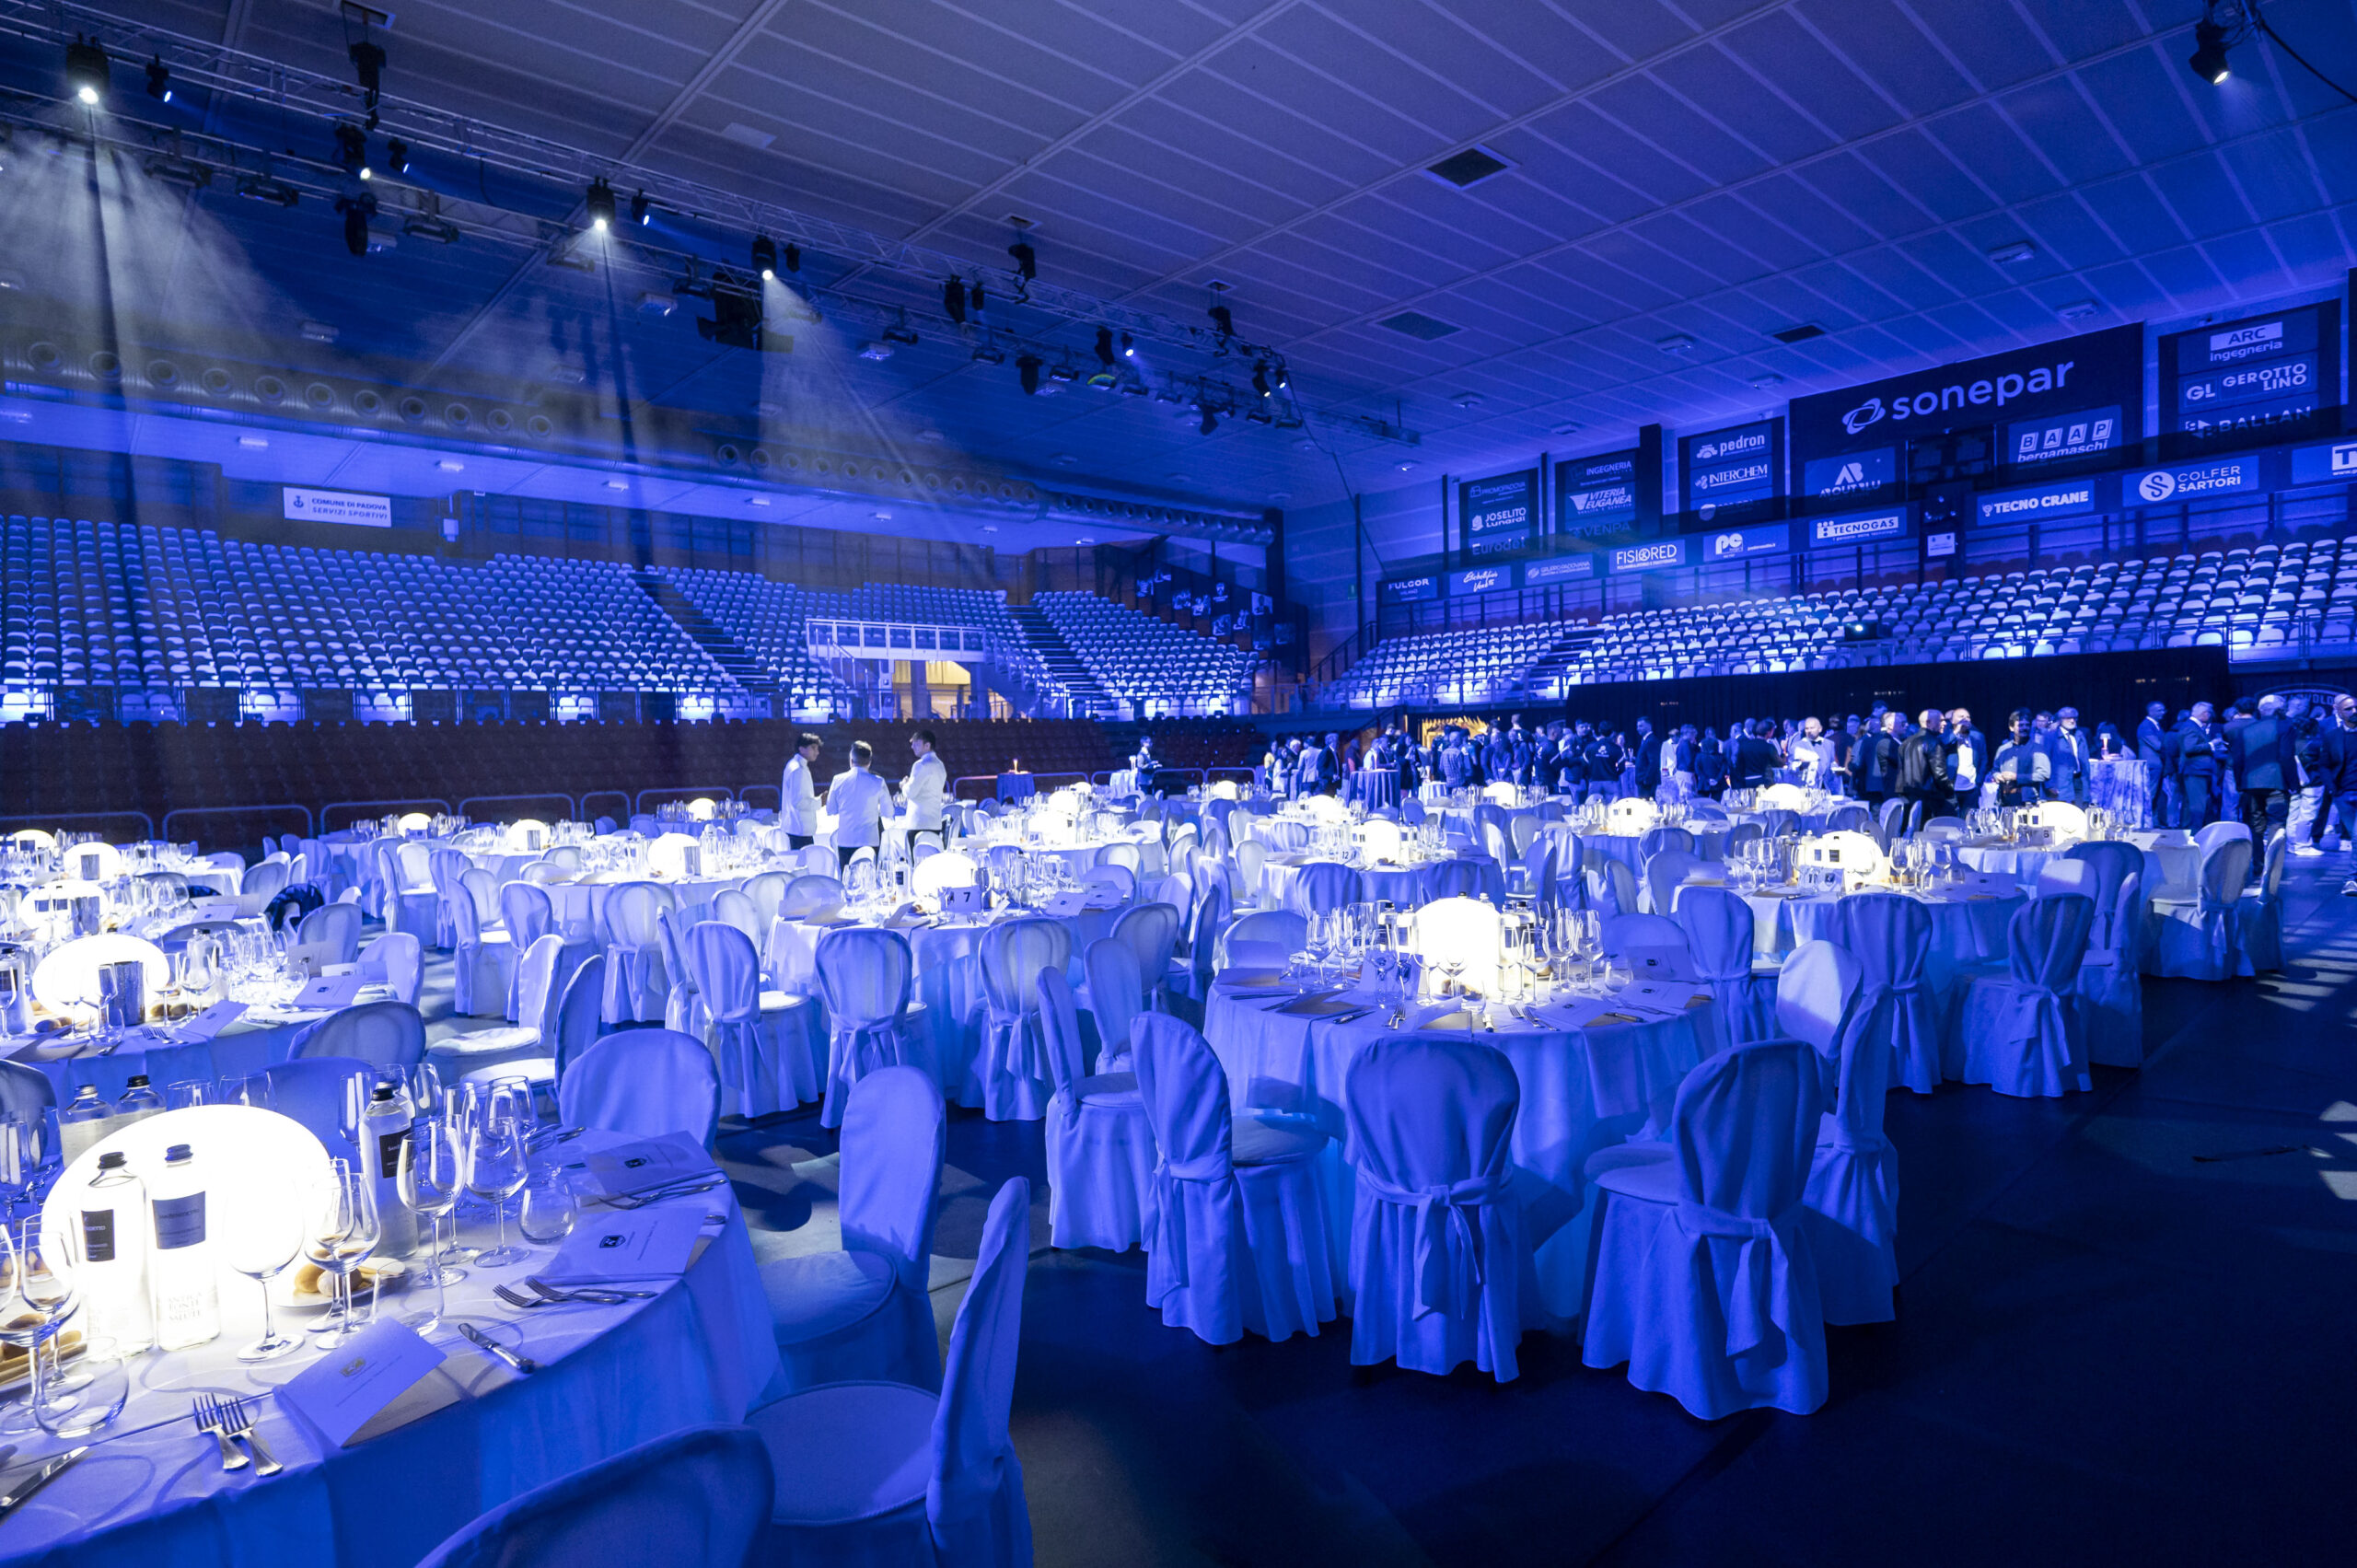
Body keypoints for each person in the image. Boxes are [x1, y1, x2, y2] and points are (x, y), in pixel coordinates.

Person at [2231, 694, 2293, 858]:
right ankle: (2272, 864)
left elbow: (2237, 760)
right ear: (2279, 710)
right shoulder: (2284, 727)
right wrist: (2293, 783)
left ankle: (2258, 863)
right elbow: (2286, 756)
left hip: (2250, 784)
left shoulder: (2246, 730)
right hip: (2277, 783)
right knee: (2276, 824)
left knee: (2255, 825)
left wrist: (2239, 783)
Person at [827, 739, 888, 868]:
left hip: (846, 839)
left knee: (846, 877)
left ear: (851, 760)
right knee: (870, 878)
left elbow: (831, 809)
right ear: (869, 762)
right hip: (870, 840)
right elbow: (888, 812)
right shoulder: (878, 781)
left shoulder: (838, 780)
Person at [2318, 693, 2357, 893]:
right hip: (2343, 794)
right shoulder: (2332, 736)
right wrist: (2332, 788)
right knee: (2354, 837)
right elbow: (2324, 764)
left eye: (2356, 707)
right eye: (2349, 709)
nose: (2354, 711)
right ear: (2340, 713)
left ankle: (2352, 879)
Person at [2175, 702, 2228, 828]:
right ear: (2204, 713)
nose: (2210, 716)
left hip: (2196, 770)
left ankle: (2187, 834)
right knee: (2197, 806)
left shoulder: (2193, 726)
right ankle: (2195, 833)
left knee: (2190, 805)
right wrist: (2212, 744)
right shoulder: (2191, 727)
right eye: (2209, 713)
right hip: (2196, 770)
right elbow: (2190, 748)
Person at [2288, 695, 2327, 855]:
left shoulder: (2289, 744)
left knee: (2293, 814)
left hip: (2293, 783)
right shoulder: (2315, 745)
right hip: (2313, 783)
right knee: (2308, 815)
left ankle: (2291, 844)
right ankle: (2302, 845)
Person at [1991, 710, 2051, 807]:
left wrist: (2016, 777)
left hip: (2028, 800)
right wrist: (1997, 775)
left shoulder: (2037, 749)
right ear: (2011, 727)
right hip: (2005, 800)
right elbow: (1995, 769)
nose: (2024, 728)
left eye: (2027, 725)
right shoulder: (2003, 749)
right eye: (2020, 725)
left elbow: (2044, 774)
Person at [1899, 708, 1950, 822]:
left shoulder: (1906, 742)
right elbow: (1940, 775)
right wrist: (1950, 792)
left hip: (1908, 796)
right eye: (1941, 720)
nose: (1945, 723)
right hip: (1929, 799)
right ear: (1928, 723)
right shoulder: (1934, 743)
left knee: (1912, 828)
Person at [901, 729, 947, 848]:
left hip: (918, 823)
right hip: (935, 823)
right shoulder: (940, 765)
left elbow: (910, 792)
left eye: (916, 744)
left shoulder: (920, 765)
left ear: (927, 745)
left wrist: (904, 785)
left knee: (916, 858)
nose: (912, 747)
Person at [780, 730, 822, 850]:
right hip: (799, 831)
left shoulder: (794, 765)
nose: (817, 752)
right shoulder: (798, 769)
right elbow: (799, 802)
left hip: (797, 829)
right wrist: (820, 801)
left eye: (817, 748)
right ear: (801, 748)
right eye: (813, 748)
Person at [2137, 701, 2173, 827]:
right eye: (2159, 710)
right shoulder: (2146, 726)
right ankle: (2144, 822)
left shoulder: (2155, 725)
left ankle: (2154, 821)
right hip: (2152, 765)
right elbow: (2157, 745)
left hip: (2158, 765)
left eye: (2163, 710)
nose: (2163, 713)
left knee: (2158, 795)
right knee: (2150, 794)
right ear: (2150, 711)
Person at [2043, 707, 2090, 805]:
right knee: (2063, 810)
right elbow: (2045, 760)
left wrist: (2087, 783)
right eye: (2068, 718)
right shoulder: (2051, 736)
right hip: (2060, 782)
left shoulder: (2079, 735)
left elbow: (2085, 761)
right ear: (2060, 720)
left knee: (2080, 810)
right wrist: (2049, 785)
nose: (2072, 721)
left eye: (2074, 718)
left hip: (2078, 781)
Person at [1945, 709, 1987, 814]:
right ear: (1952, 721)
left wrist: (1978, 781)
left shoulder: (1977, 737)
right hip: (1951, 787)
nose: (1965, 719)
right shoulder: (1946, 735)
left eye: (1968, 717)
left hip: (1972, 788)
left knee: (1969, 819)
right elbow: (1942, 746)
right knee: (1951, 819)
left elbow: (1984, 759)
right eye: (1961, 717)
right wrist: (1956, 732)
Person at [1731, 719, 1780, 791]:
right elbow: (1779, 764)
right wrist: (1784, 751)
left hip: (1746, 782)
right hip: (1764, 782)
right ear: (1769, 732)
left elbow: (1738, 765)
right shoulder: (1769, 747)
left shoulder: (1744, 745)